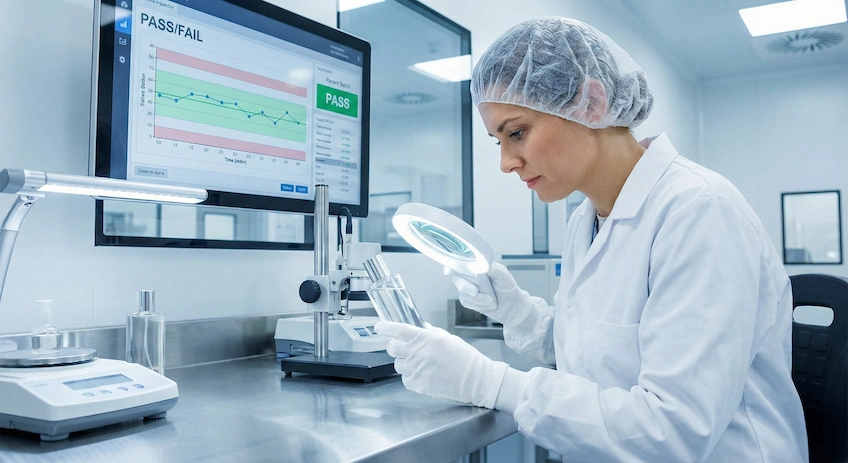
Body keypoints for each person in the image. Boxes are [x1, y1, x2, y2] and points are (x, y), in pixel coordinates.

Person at [375, 16, 809, 462]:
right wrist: (516, 312)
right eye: (497, 141)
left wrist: (490, 382)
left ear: (591, 103)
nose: (506, 162)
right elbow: (593, 353)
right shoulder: (587, 218)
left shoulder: (700, 212)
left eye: (517, 132)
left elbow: (673, 432)